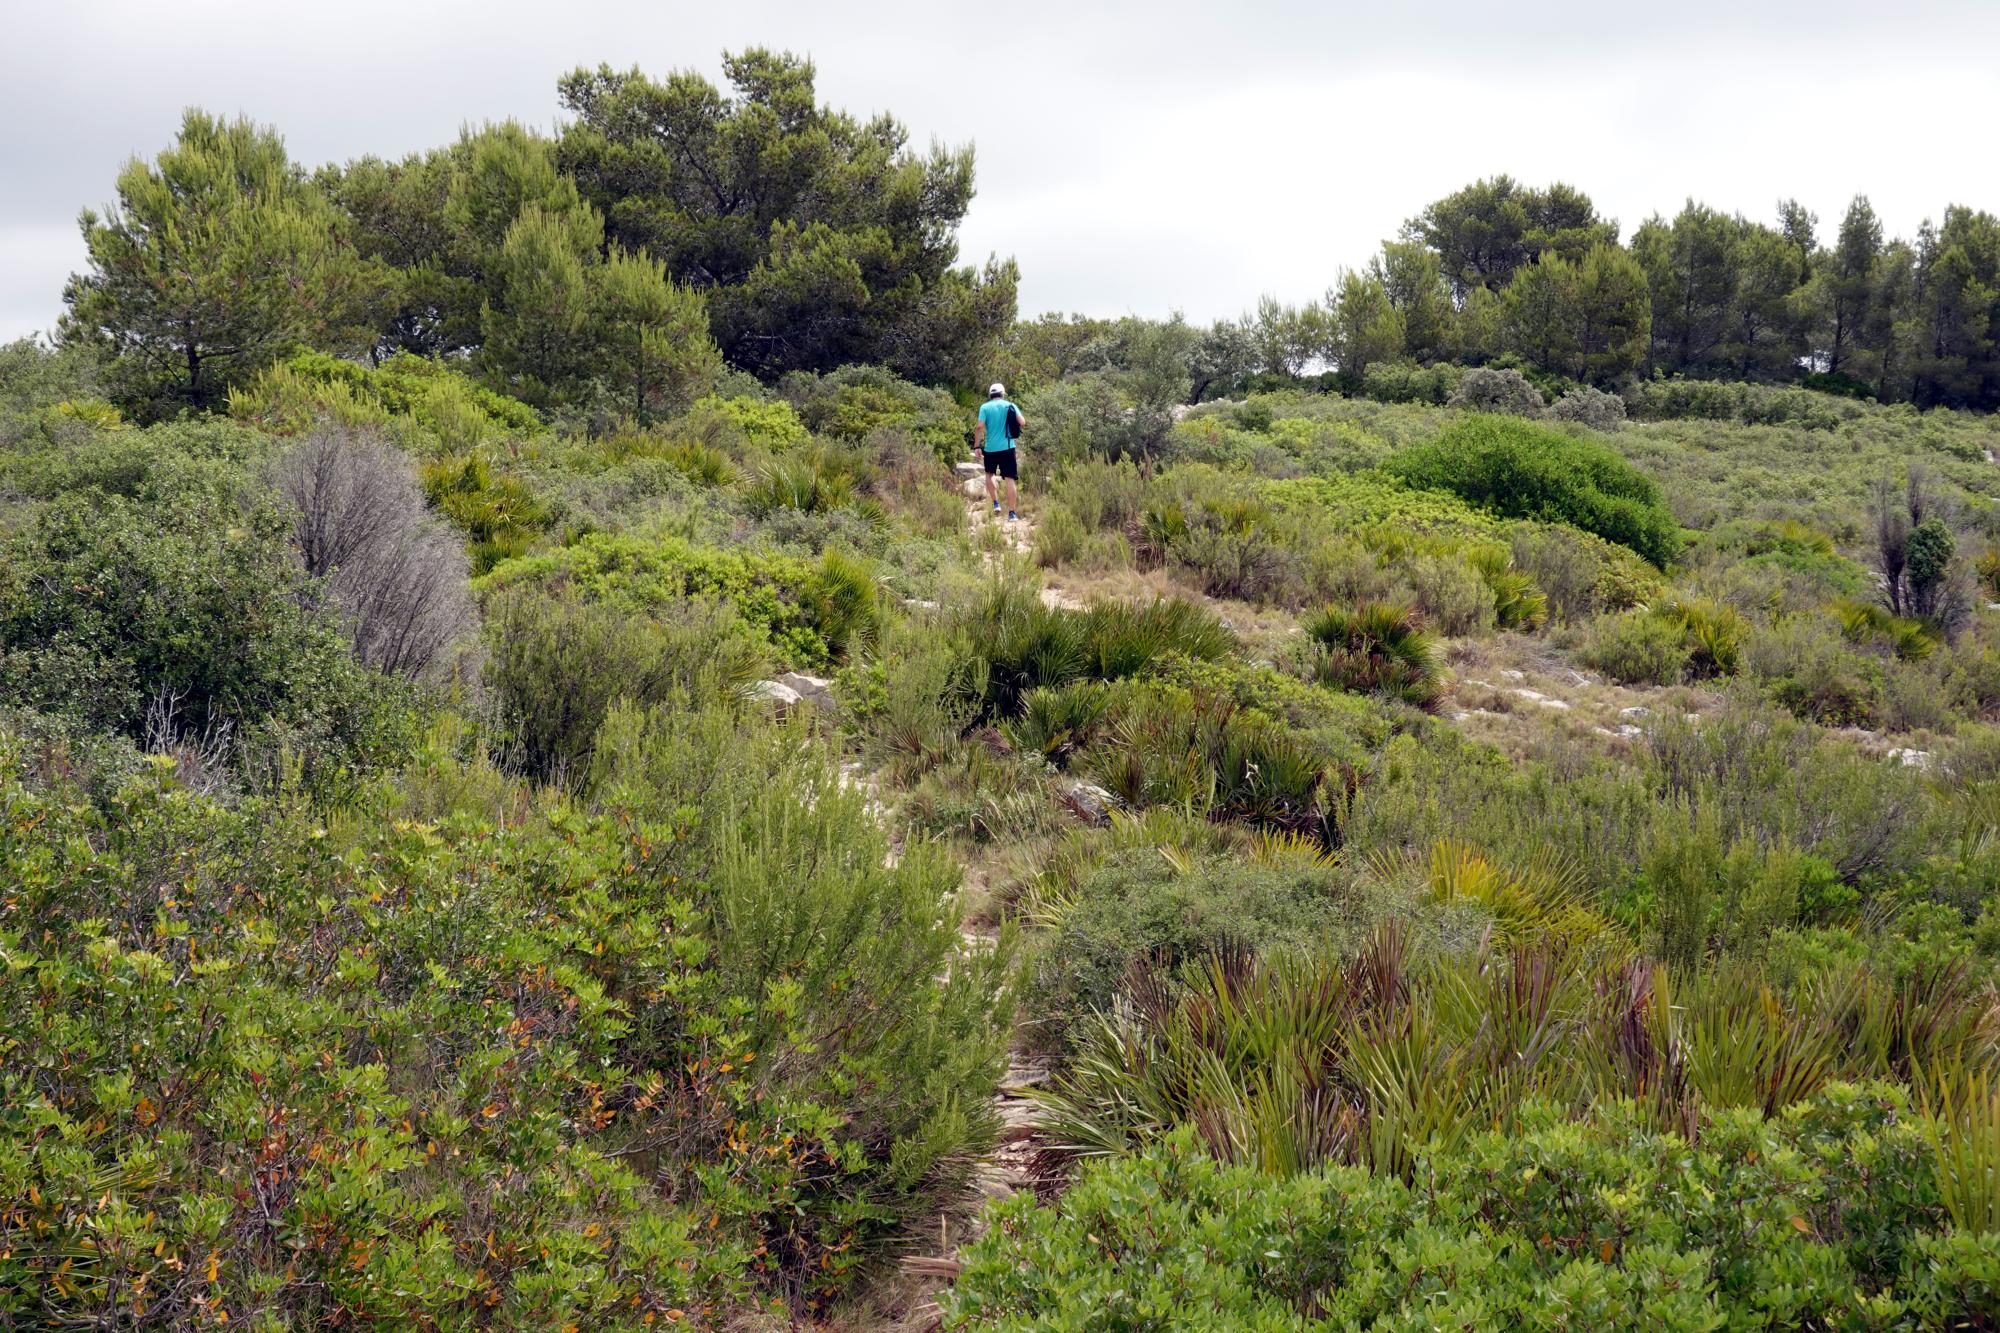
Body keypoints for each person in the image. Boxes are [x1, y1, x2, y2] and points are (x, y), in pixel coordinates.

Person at [973, 382, 1023, 521]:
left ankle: (996, 503)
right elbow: (1022, 422)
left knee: (989, 475)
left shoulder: (985, 407)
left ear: (990, 395)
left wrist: (977, 446)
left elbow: (979, 427)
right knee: (1010, 479)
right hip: (1008, 446)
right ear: (1003, 393)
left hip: (990, 448)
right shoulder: (1010, 405)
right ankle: (1012, 513)